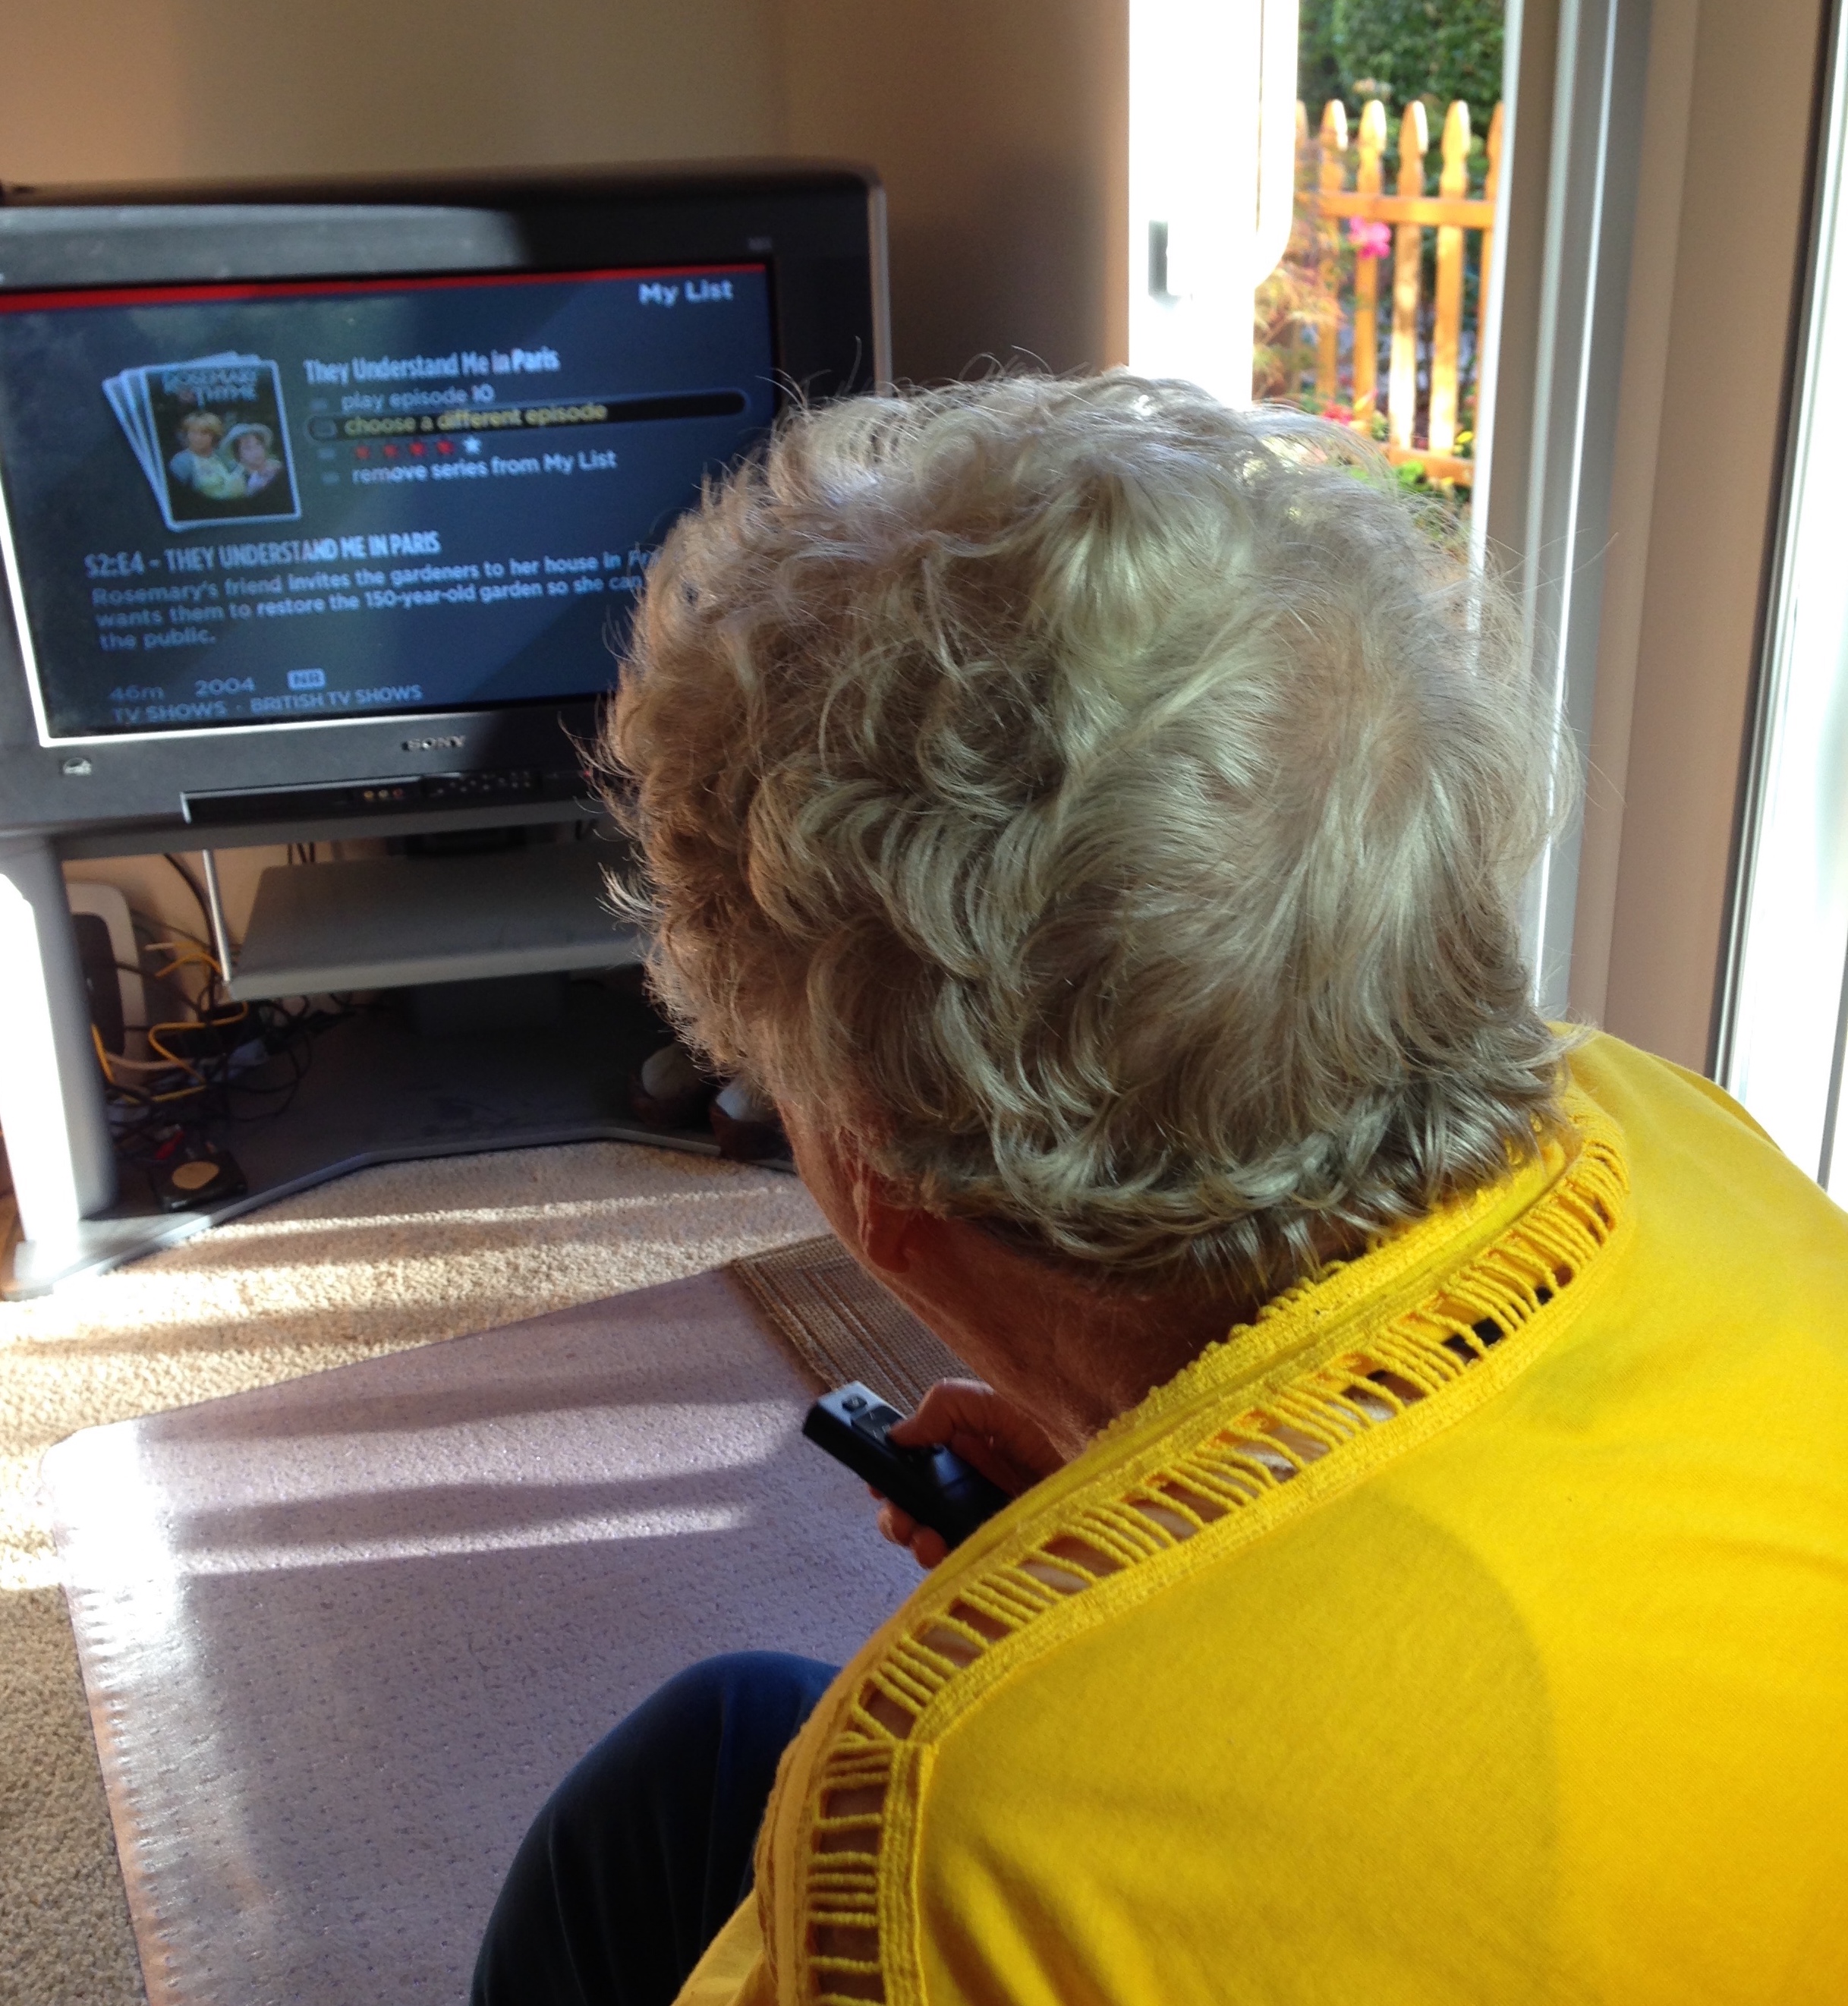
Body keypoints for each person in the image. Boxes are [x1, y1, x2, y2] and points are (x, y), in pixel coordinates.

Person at [473, 376, 1848, 2006]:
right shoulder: (1662, 1131)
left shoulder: (953, 1817)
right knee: (708, 1754)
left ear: (859, 1137)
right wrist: (1118, 1465)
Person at [166, 410, 241, 499]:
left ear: (214, 435)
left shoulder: (222, 456)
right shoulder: (181, 461)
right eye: (193, 433)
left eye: (204, 433)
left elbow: (239, 474)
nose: (198, 438)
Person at [223, 420, 285, 497]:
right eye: (248, 448)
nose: (256, 451)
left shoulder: (277, 468)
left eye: (258, 444)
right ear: (238, 455)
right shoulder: (235, 482)